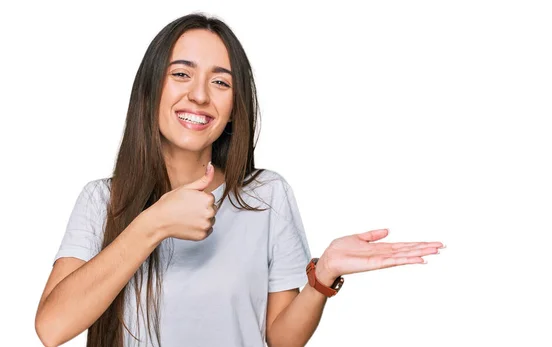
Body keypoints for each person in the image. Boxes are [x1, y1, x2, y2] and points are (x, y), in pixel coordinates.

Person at [34, 13, 444, 347]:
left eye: (220, 82)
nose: (199, 95)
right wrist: (153, 223)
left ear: (234, 107)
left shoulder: (266, 196)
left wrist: (322, 276)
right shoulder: (103, 200)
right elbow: (52, 329)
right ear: (150, 89)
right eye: (181, 74)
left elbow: (280, 337)